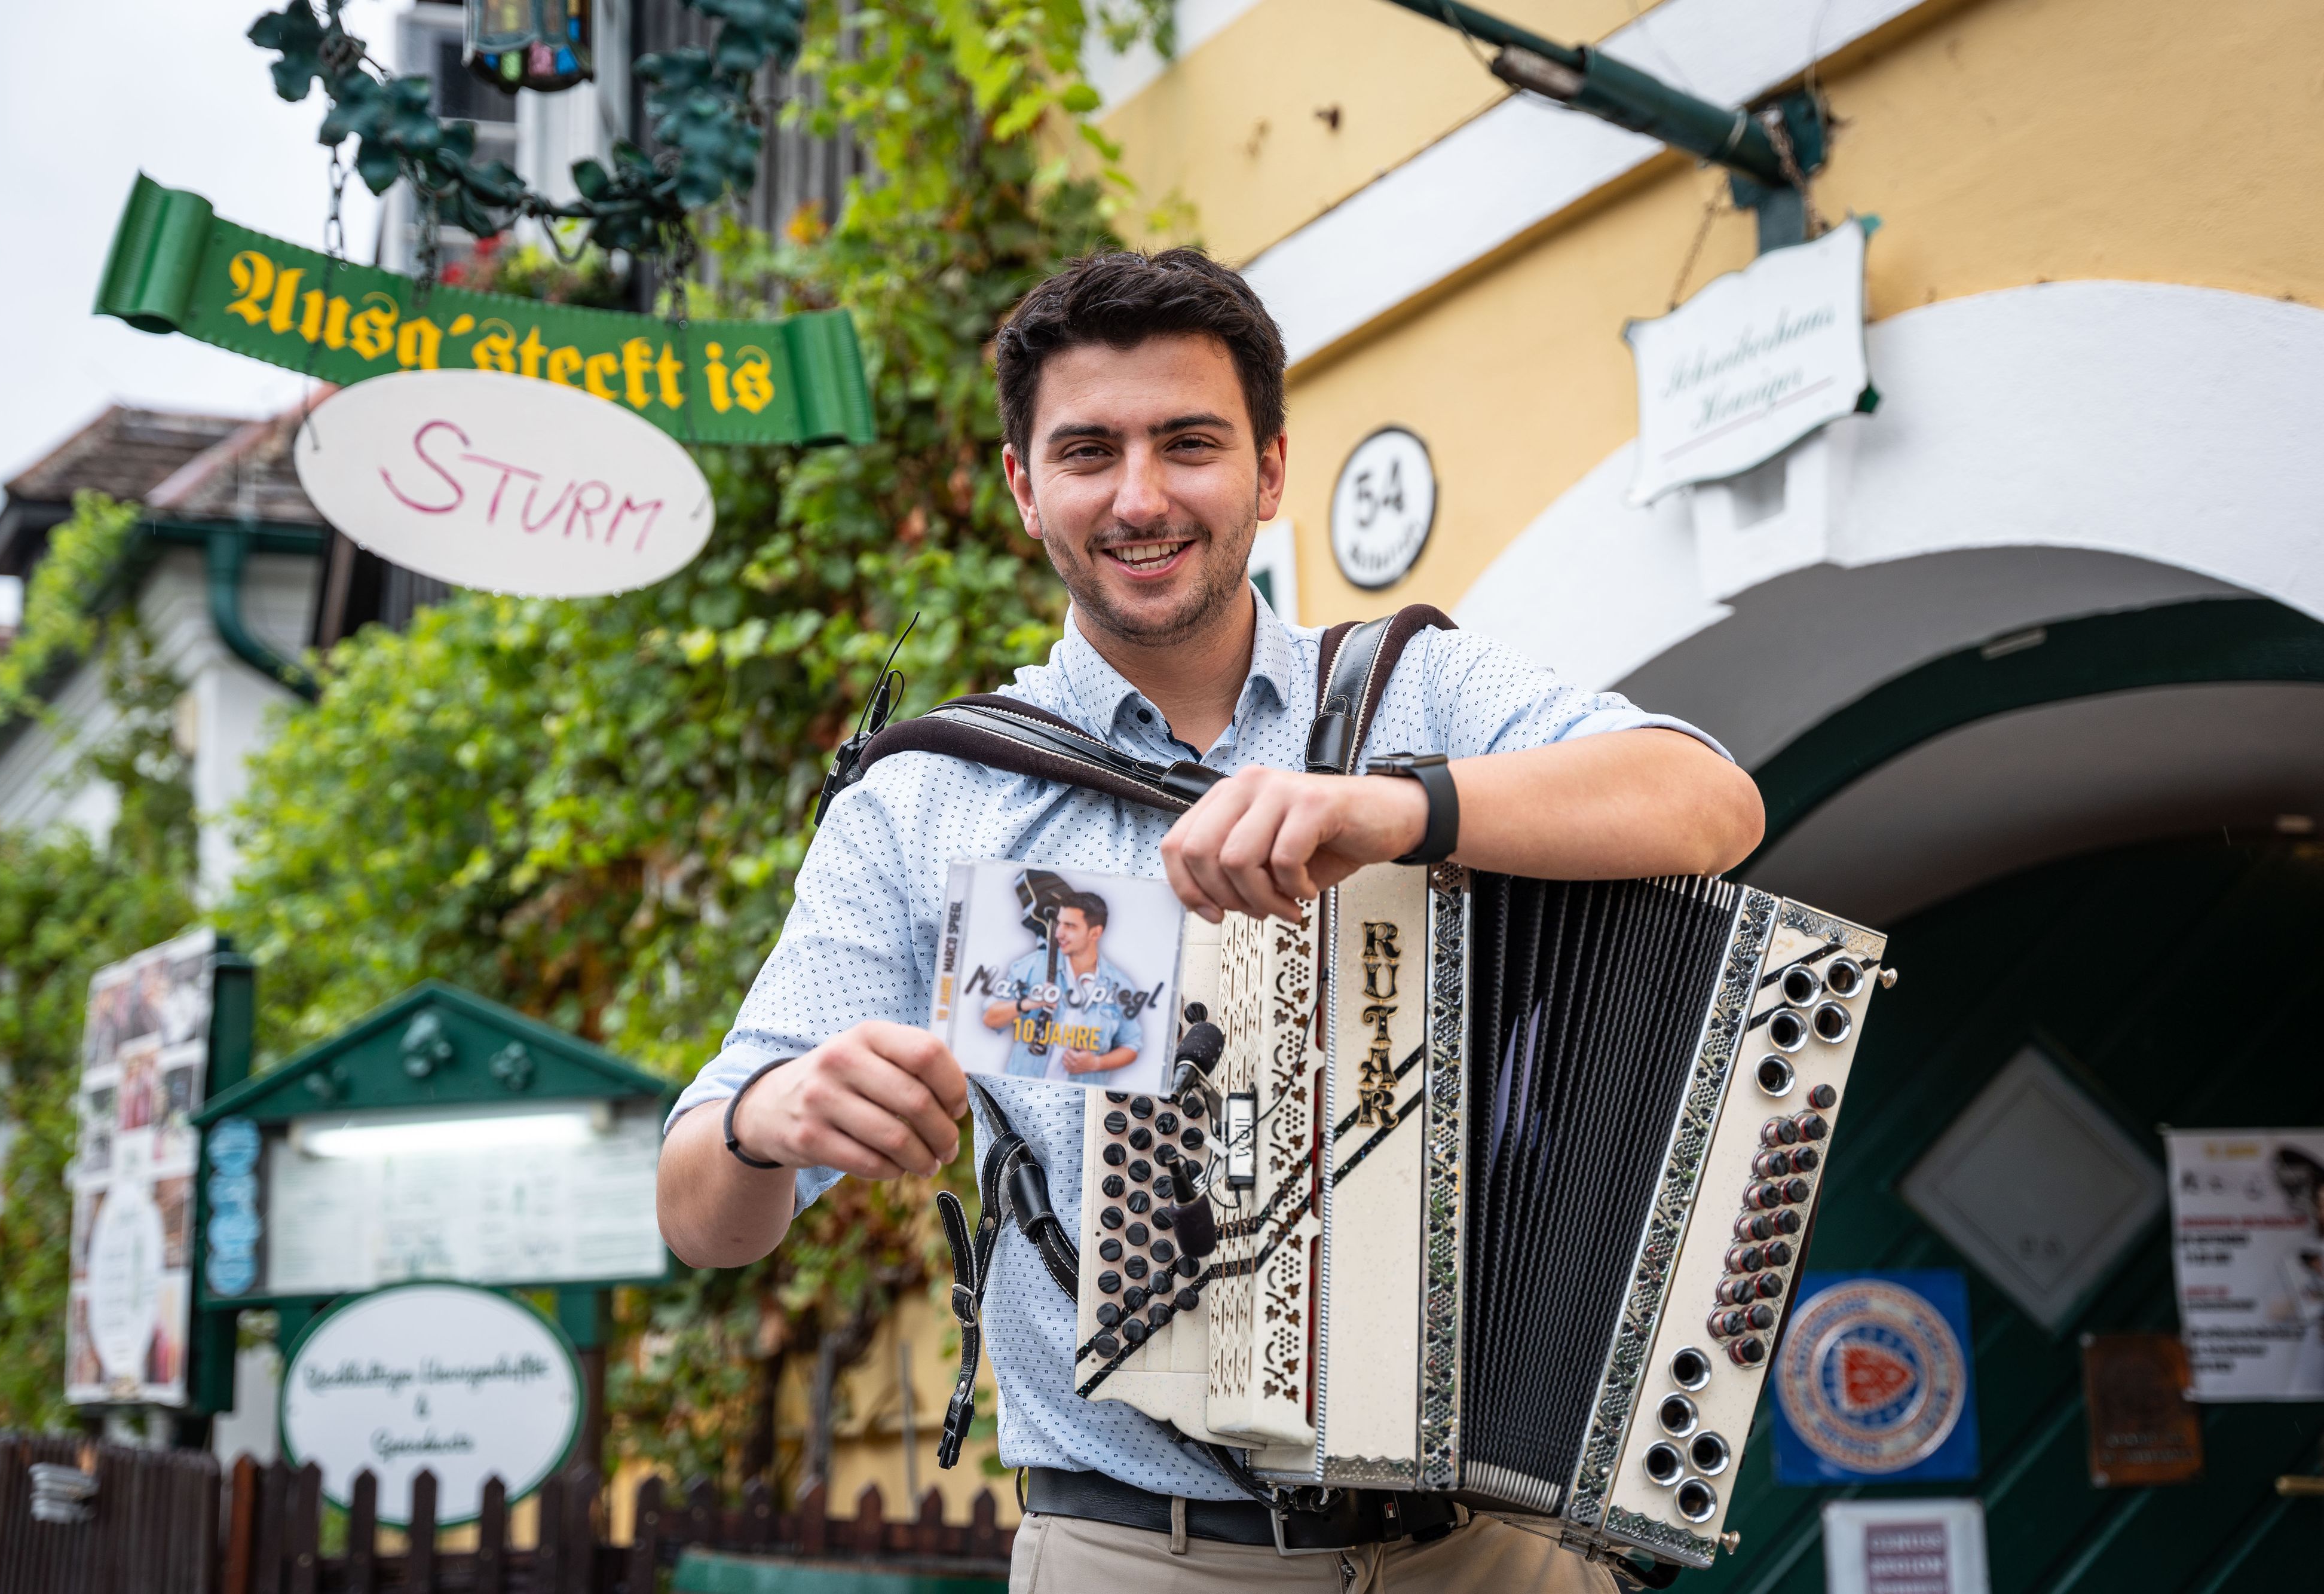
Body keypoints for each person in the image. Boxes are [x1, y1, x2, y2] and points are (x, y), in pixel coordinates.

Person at [657, 247, 1766, 1591]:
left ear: (1271, 467)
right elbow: (701, 1217)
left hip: (1490, 1548)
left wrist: (1392, 809)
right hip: (1142, 1552)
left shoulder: (1414, 696)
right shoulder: (929, 801)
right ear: (1024, 486)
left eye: (1188, 443)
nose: (1139, 496)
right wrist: (759, 1123)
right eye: (1086, 452)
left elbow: (1707, 800)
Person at [981, 892, 1146, 1079]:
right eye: (1059, 923)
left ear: (1095, 933)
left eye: (1070, 926)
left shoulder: (1119, 985)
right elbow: (990, 1018)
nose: (1058, 933)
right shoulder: (1033, 965)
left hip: (1079, 1102)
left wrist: (1096, 1063)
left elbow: (1131, 1046)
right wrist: (1027, 1003)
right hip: (1021, 1095)